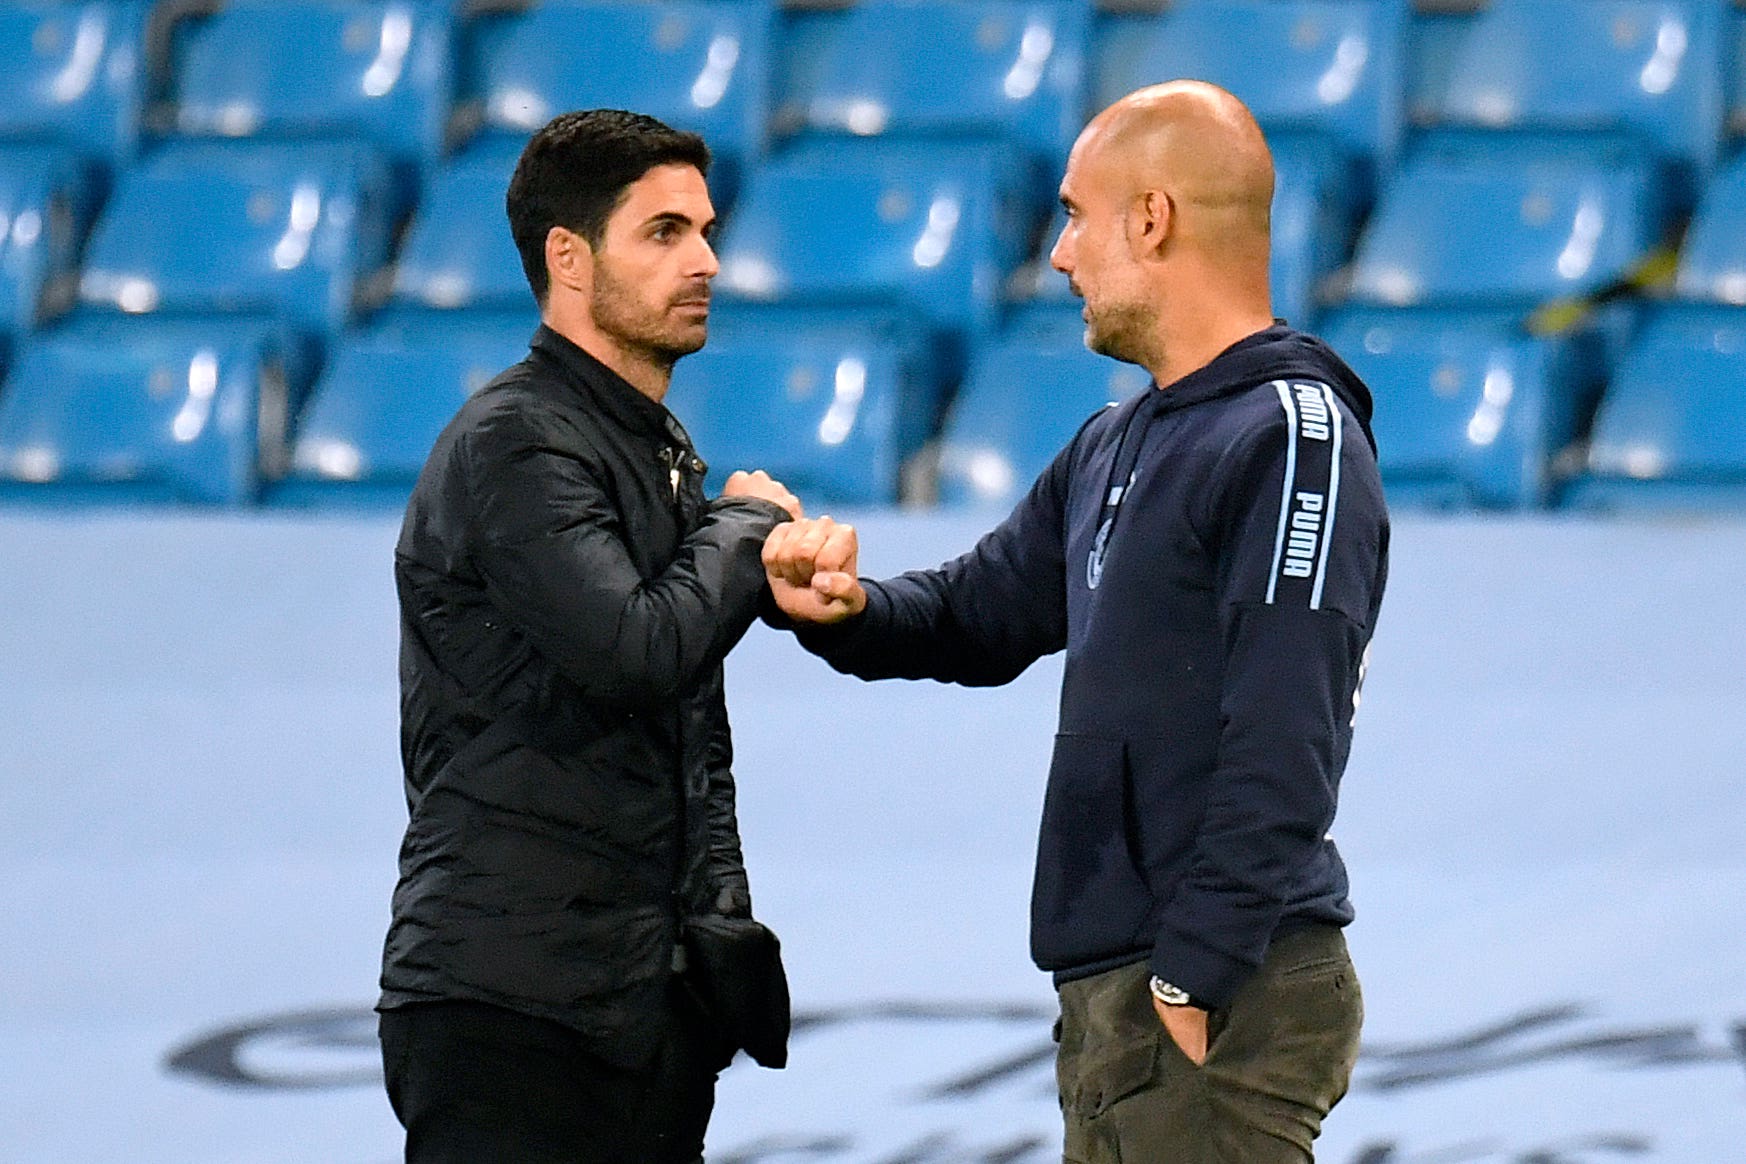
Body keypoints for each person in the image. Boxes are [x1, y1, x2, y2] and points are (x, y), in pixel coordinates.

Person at [762, 81, 1390, 1161]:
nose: (1058, 254)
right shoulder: (1117, 440)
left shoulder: (1292, 434)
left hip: (1214, 986)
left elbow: (1290, 732)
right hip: (1122, 985)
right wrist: (850, 610)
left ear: (1152, 219)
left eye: (1076, 214)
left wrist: (1198, 964)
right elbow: (978, 612)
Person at [377, 109, 799, 1163]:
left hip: (634, 1006)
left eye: (706, 231)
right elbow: (632, 650)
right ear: (569, 257)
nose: (705, 260)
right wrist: (742, 532)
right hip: (512, 1006)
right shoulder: (516, 440)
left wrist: (715, 948)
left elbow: (686, 738)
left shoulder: (643, 445)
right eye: (664, 233)